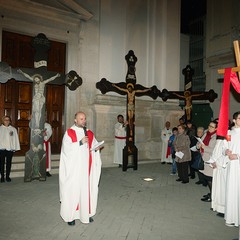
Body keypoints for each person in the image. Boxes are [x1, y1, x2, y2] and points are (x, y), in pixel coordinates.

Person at [59, 111, 102, 226]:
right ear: (75, 120)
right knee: (73, 190)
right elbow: (65, 150)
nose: (84, 121)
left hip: (86, 169)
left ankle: (85, 214)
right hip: (74, 170)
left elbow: (93, 147)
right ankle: (70, 216)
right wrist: (79, 143)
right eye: (81, 119)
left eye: (84, 119)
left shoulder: (89, 133)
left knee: (85, 190)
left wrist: (97, 148)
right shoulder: (69, 133)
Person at [222, 111, 240, 227]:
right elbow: (224, 147)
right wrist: (226, 151)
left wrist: (237, 156)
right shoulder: (229, 133)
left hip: (238, 162)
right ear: (234, 120)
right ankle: (231, 217)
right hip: (232, 167)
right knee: (231, 190)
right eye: (239, 118)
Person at [198, 120, 218, 202]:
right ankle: (211, 194)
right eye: (209, 126)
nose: (209, 128)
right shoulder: (206, 133)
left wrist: (203, 147)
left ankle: (213, 197)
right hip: (204, 159)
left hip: (210, 161)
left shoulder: (216, 137)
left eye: (212, 127)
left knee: (210, 180)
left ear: (216, 128)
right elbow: (200, 142)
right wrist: (199, 145)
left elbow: (214, 150)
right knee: (207, 179)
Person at [0, 115, 20, 182]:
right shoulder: (0, 129)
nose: (7, 121)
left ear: (10, 121)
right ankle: (2, 177)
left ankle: (7, 176)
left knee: (9, 163)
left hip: (10, 149)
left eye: (8, 120)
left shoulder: (13, 129)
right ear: (3, 121)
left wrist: (15, 147)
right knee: (1, 163)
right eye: (5, 120)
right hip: (1, 149)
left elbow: (15, 139)